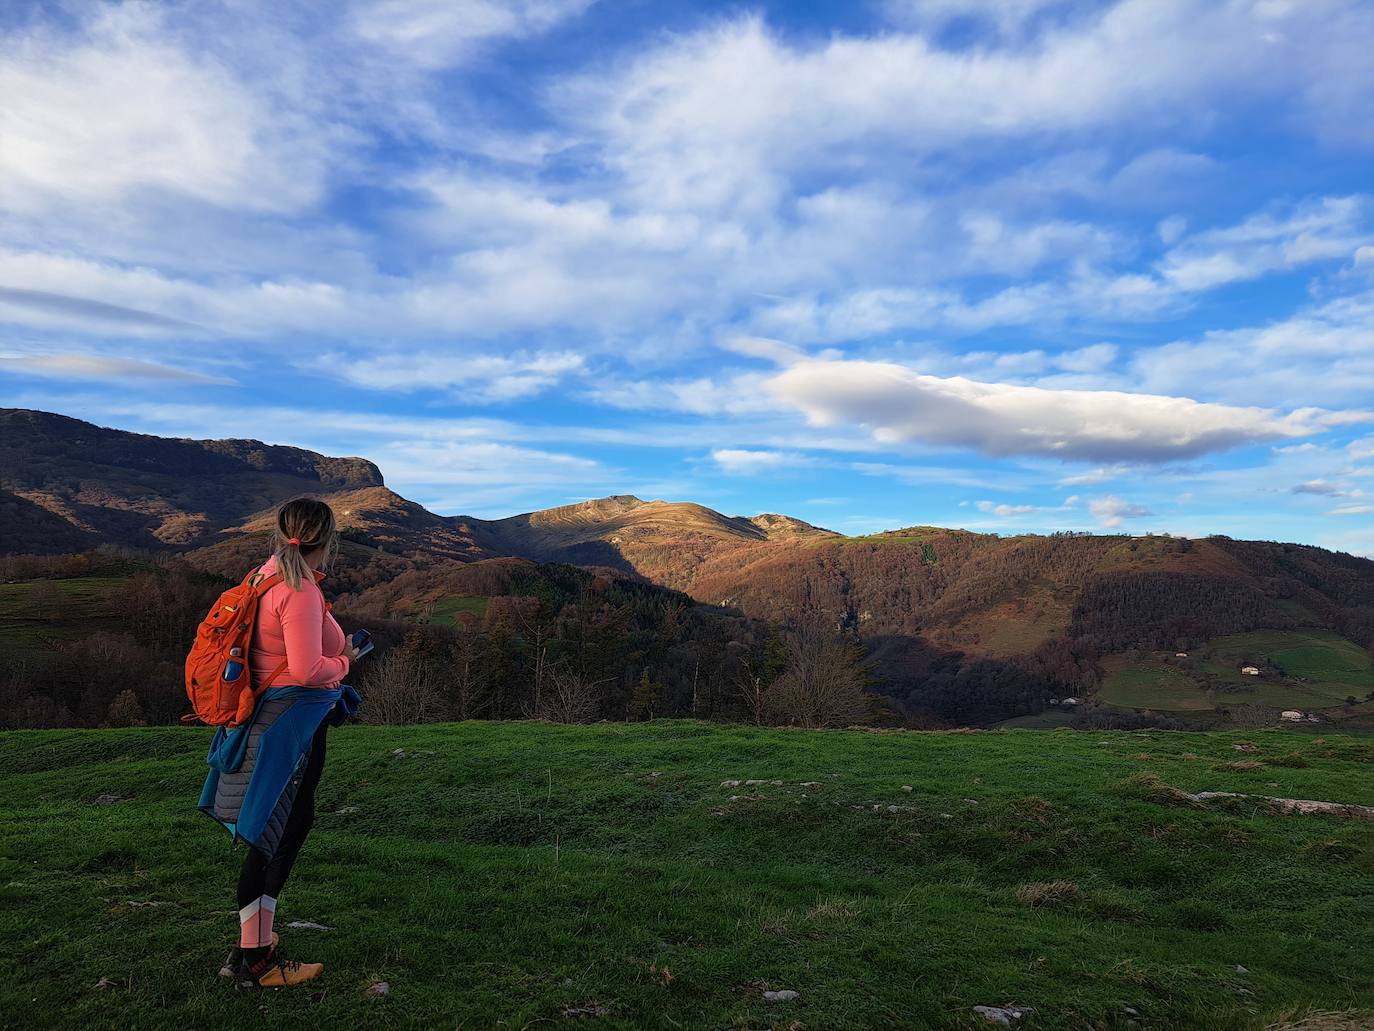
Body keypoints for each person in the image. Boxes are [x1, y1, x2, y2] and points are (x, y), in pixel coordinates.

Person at [197, 497, 363, 989]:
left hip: (268, 718)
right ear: (329, 539)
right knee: (276, 835)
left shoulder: (264, 576)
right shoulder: (300, 591)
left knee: (280, 829)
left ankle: (249, 950)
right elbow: (309, 668)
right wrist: (347, 661)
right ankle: (256, 961)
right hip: (285, 727)